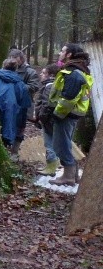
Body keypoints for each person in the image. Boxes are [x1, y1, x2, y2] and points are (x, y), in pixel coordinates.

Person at [48, 44, 94, 186]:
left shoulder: (73, 73)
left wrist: (58, 114)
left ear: (69, 54)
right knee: (64, 144)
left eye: (62, 50)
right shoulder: (77, 70)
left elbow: (69, 98)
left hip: (66, 115)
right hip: (70, 114)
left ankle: (68, 177)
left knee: (60, 145)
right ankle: (72, 175)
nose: (60, 53)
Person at [0, 59, 31, 156]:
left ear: (3, 66)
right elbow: (24, 104)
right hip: (11, 116)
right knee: (5, 134)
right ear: (16, 68)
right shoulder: (20, 84)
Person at [7, 48, 40, 156]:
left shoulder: (30, 72)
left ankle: (14, 152)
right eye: (10, 57)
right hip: (9, 103)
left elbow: (34, 87)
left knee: (19, 129)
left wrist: (18, 86)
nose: (12, 60)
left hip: (23, 105)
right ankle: (6, 149)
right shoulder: (9, 69)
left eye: (14, 58)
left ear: (21, 59)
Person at [35, 64, 60, 176]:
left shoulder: (49, 86)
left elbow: (46, 105)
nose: (41, 74)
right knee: (51, 143)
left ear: (51, 75)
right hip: (51, 119)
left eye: (44, 73)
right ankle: (51, 166)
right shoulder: (53, 85)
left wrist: (41, 118)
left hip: (48, 120)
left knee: (49, 143)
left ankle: (51, 167)